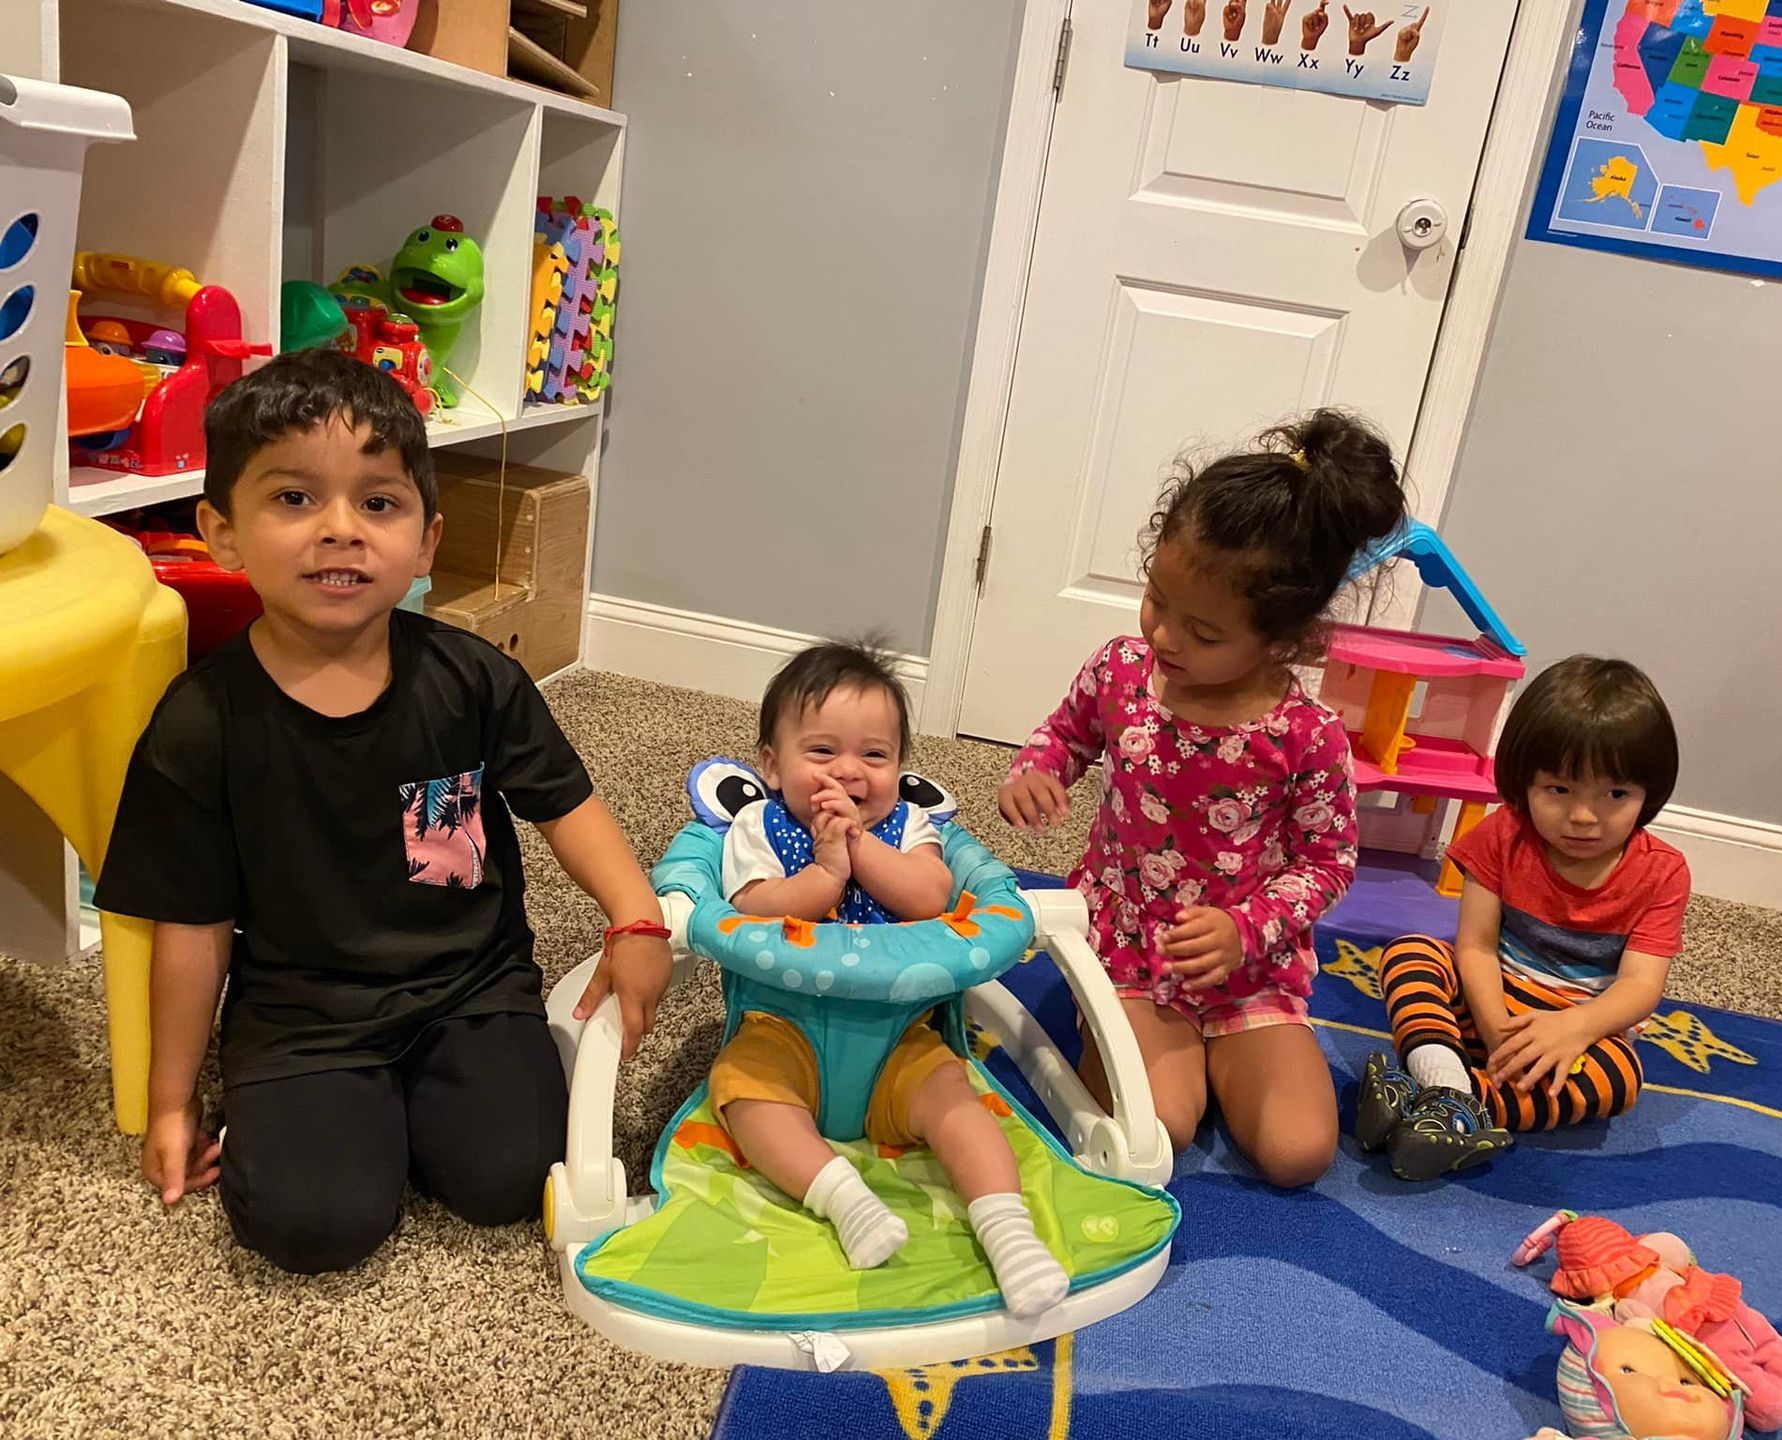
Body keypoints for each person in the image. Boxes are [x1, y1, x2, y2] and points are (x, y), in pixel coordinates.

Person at [94, 349, 674, 1273]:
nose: (340, 531)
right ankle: (345, 1118)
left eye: (378, 502)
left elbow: (567, 805)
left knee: (510, 1176)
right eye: (292, 499)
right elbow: (192, 927)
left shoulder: (472, 680)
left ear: (427, 542)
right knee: (311, 1226)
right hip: (304, 1014)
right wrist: (172, 1105)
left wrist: (637, 919)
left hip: (470, 985)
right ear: (221, 531)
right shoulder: (200, 724)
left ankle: (425, 1106)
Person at [998, 411, 1407, 1187]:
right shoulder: (1121, 671)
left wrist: (1246, 929)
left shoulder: (1306, 735)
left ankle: (1218, 1050)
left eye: (1205, 633)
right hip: (1131, 944)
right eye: (1156, 599)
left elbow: (1329, 863)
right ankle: (1143, 1042)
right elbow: (1066, 736)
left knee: (1298, 1155)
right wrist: (1036, 771)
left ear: (1282, 640)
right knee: (1161, 1131)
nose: (1165, 638)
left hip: (1247, 964)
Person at [710, 643, 1071, 1316]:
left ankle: (1009, 1234)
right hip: (784, 1028)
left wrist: (860, 848)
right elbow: (751, 911)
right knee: (741, 1092)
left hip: (896, 1034)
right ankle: (845, 1199)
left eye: (874, 757)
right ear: (771, 764)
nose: (849, 772)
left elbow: (933, 898)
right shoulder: (756, 825)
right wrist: (823, 875)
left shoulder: (910, 827)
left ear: (900, 769)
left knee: (957, 1104)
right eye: (821, 752)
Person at [1358, 656, 1688, 1181]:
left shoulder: (1663, 872)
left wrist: (1575, 1027)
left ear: (1649, 793)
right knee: (1411, 953)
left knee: (1621, 1076)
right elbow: (1476, 947)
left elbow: (1641, 988)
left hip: (1576, 1029)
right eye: (1559, 790)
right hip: (1488, 1001)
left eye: (1616, 794)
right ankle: (1447, 1088)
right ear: (1525, 783)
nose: (1584, 816)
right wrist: (1495, 1033)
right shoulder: (1500, 837)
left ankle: (1441, 1100)